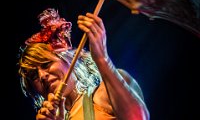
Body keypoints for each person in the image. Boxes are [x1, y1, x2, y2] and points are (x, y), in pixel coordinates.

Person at [18, 8, 150, 120]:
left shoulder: (104, 93)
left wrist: (102, 59)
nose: (41, 76)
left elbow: (137, 117)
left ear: (69, 59)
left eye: (46, 64)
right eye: (34, 75)